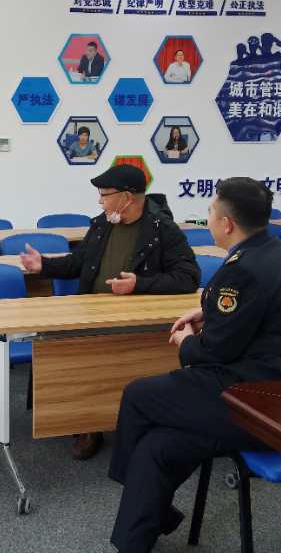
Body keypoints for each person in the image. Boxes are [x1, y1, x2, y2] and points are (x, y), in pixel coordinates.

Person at [107, 177, 281, 553]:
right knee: (157, 446)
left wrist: (186, 342)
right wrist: (208, 312)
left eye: (211, 212)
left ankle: (127, 481)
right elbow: (246, 311)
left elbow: (212, 351)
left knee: (137, 396)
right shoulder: (271, 250)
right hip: (277, 392)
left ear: (227, 224)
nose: (209, 218)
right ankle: (139, 533)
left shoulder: (243, 268)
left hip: (253, 402)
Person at [20, 164, 200, 460]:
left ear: (126, 198)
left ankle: (134, 420)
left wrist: (139, 284)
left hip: (135, 319)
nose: (100, 201)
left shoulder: (162, 229)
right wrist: (44, 265)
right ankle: (88, 425)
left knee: (129, 368)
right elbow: (78, 262)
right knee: (81, 364)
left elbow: (188, 276)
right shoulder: (103, 224)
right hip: (91, 312)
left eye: (105, 195)